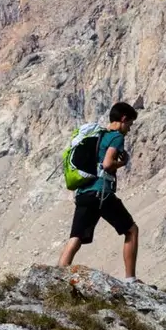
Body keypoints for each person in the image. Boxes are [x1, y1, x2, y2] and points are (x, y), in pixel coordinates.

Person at [58, 102, 140, 280]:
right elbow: (107, 164)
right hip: (101, 193)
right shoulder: (116, 137)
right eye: (130, 124)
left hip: (83, 193)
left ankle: (58, 275)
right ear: (123, 119)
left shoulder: (97, 134)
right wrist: (122, 163)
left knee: (76, 237)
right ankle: (130, 280)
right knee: (132, 230)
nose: (129, 129)